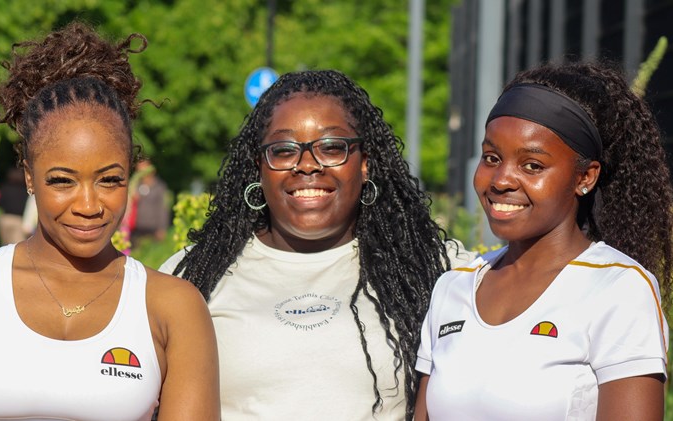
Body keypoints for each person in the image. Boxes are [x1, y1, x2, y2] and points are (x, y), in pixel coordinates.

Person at [0, 21, 219, 420]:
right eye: (62, 180)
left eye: (109, 180)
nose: (88, 204)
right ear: (29, 176)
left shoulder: (173, 307)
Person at [159, 69, 475, 420]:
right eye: (283, 150)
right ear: (258, 168)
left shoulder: (434, 269)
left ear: (365, 163)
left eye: (331, 147)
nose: (307, 165)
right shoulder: (188, 281)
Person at [415, 61, 672, 420]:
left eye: (532, 165)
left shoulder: (618, 288)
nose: (501, 179)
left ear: (585, 177)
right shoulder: (452, 288)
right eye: (492, 158)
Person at [127, 159, 171, 246]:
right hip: (136, 229)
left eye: (144, 169)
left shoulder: (160, 187)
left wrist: (162, 228)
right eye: (139, 170)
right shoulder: (135, 186)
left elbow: (164, 208)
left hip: (153, 230)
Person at [0, 166, 30, 244]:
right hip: (18, 220)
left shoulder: (4, 188)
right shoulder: (25, 191)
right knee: (17, 247)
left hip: (4, 219)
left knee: (5, 247)